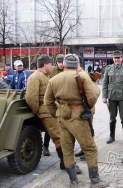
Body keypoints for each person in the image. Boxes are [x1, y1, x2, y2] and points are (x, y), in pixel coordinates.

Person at [44, 54, 109, 188]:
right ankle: (95, 181)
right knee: (89, 148)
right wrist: (86, 108)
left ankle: (73, 182)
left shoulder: (54, 79)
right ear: (77, 64)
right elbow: (94, 95)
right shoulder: (82, 76)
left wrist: (57, 114)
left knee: (67, 149)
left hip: (62, 116)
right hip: (78, 116)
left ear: (65, 64)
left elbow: (47, 102)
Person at [25, 54, 65, 170]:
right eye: (50, 64)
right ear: (44, 64)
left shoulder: (45, 76)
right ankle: (67, 163)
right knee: (58, 136)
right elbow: (31, 98)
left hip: (51, 109)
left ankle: (65, 162)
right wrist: (38, 111)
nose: (52, 66)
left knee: (61, 135)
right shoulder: (35, 77)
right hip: (45, 111)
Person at [102, 50, 123, 145]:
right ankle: (112, 136)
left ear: (121, 58)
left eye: (118, 58)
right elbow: (105, 83)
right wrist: (104, 96)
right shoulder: (108, 69)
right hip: (111, 96)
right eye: (115, 58)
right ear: (113, 59)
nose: (117, 60)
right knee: (112, 117)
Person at [42, 54, 65, 157]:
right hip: (53, 100)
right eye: (59, 62)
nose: (61, 64)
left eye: (62, 62)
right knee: (51, 127)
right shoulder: (52, 70)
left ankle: (63, 147)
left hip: (63, 100)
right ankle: (45, 146)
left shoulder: (67, 70)